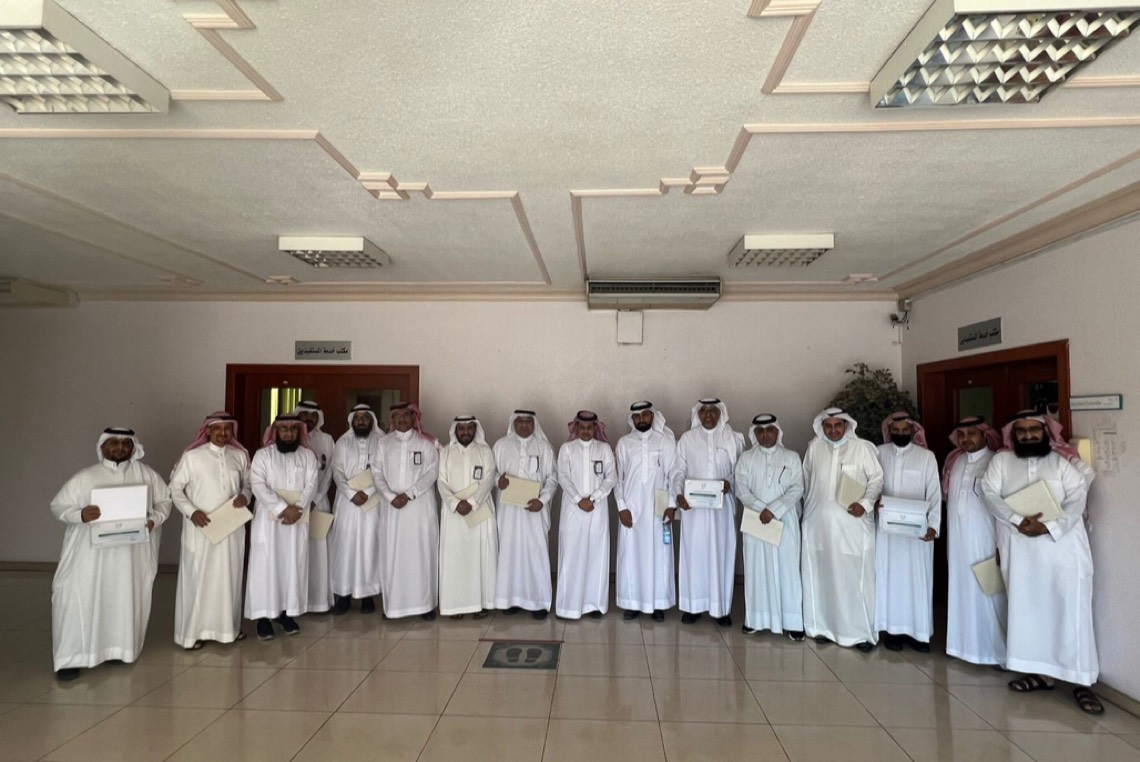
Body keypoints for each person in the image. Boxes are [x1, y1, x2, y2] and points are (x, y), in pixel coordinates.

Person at [982, 410, 1102, 714]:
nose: (1028, 436)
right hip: (1021, 553)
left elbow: (1077, 496)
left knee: (1070, 613)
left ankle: (1082, 681)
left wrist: (1049, 527)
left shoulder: (1061, 462)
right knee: (1028, 611)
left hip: (1063, 552)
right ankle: (1039, 674)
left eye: (1033, 430)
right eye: (1021, 431)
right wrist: (1016, 519)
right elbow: (989, 494)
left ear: (1045, 432)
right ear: (1013, 435)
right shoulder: (1001, 462)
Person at [50, 428, 172, 680]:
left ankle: (118, 650)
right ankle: (71, 659)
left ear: (133, 447)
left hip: (130, 556)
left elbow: (165, 501)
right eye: (113, 443)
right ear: (102, 446)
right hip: (89, 558)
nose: (119, 448)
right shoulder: (85, 477)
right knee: (78, 599)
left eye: (125, 443)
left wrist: (154, 519)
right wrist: (80, 515)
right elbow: (58, 505)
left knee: (123, 598)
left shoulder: (147, 475)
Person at [801, 407, 884, 651]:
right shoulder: (814, 448)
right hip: (819, 527)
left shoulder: (863, 448)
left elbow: (876, 480)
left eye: (838, 425)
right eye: (828, 426)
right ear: (822, 427)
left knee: (855, 579)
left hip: (853, 527)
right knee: (822, 576)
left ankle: (860, 634)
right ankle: (823, 628)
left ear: (847, 425)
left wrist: (865, 504)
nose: (833, 430)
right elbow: (806, 483)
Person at [170, 412, 252, 650]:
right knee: (199, 579)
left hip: (231, 528)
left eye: (227, 429)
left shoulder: (239, 455)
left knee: (230, 578)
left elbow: (249, 483)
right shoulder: (192, 457)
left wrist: (245, 496)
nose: (223, 433)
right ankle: (192, 634)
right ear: (207, 431)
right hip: (201, 529)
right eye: (218, 429)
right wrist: (191, 511)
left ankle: (228, 630)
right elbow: (174, 488)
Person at [671, 398, 745, 627]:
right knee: (694, 555)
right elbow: (678, 471)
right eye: (704, 411)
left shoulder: (732, 438)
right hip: (693, 510)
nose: (709, 415)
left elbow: (742, 471)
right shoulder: (687, 439)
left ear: (721, 413)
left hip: (722, 510)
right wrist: (679, 494)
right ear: (698, 414)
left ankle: (720, 609)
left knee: (721, 555)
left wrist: (729, 482)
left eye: (713, 411)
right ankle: (693, 606)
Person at [246, 414, 319, 640]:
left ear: (299, 432)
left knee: (292, 566)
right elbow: (257, 485)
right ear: (275, 432)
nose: (288, 433)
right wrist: (282, 508)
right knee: (266, 567)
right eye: (283, 429)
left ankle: (286, 613)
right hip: (269, 522)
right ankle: (263, 617)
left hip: (296, 520)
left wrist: (297, 508)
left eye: (293, 429)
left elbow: (312, 484)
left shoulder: (308, 456)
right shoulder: (263, 455)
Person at [874, 412, 941, 653]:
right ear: (889, 430)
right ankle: (892, 631)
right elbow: (872, 485)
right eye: (896, 430)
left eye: (905, 430)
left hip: (917, 533)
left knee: (917, 582)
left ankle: (919, 634)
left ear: (913, 431)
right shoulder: (878, 453)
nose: (900, 434)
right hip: (887, 532)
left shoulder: (926, 456)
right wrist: (873, 503)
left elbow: (934, 493)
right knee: (889, 580)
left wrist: (933, 525)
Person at [734, 413, 805, 639]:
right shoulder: (746, 458)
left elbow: (798, 488)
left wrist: (774, 510)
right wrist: (760, 508)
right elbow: (741, 488)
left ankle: (793, 622)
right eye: (760, 431)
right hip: (756, 520)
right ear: (754, 434)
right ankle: (756, 619)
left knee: (788, 570)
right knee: (756, 569)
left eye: (769, 430)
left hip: (784, 520)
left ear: (777, 431)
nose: (765, 435)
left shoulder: (791, 457)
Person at [943, 415, 1006, 667]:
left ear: (984, 434)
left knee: (990, 593)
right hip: (957, 541)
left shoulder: (996, 461)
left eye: (972, 434)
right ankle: (962, 647)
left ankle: (997, 653)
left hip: (986, 540)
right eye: (961, 434)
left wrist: (1001, 544)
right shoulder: (954, 461)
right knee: (961, 589)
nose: (966, 439)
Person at [373, 401, 440, 620]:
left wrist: (409, 494)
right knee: (393, 554)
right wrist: (391, 496)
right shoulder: (383, 443)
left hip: (420, 509)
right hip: (392, 509)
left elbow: (432, 472)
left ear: (414, 418)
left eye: (406, 415)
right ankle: (394, 607)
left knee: (421, 554)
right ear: (393, 419)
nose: (402, 419)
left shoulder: (426, 443)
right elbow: (376, 474)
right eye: (398, 416)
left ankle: (425, 605)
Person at [614, 401, 677, 622]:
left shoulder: (665, 442)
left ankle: (658, 603)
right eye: (637, 416)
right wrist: (621, 507)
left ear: (653, 416)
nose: (641, 419)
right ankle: (632, 602)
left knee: (660, 553)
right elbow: (617, 478)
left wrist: (671, 504)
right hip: (631, 508)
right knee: (631, 554)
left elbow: (674, 474)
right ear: (632, 419)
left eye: (645, 415)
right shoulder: (624, 443)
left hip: (659, 507)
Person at [493, 409, 558, 620]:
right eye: (519, 421)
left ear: (534, 423)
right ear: (513, 423)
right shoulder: (501, 446)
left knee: (536, 553)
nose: (523, 425)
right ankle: (510, 600)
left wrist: (543, 500)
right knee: (510, 553)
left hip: (535, 511)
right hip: (509, 513)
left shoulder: (544, 448)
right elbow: (490, 473)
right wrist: (497, 481)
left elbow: (553, 479)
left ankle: (538, 602)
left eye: (528, 421)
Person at [555, 411, 616, 620]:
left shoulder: (604, 449)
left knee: (596, 555)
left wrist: (594, 498)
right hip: (572, 510)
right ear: (577, 428)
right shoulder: (567, 449)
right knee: (571, 555)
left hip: (597, 510)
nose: (586, 431)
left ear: (595, 428)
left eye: (590, 427)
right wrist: (578, 499)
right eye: (582, 427)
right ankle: (568, 606)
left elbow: (611, 477)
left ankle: (594, 605)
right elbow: (562, 476)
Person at [438, 415, 498, 619]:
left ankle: (481, 604)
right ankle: (455, 605)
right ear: (455, 430)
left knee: (481, 557)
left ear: (475, 429)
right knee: (456, 558)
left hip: (480, 512)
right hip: (453, 513)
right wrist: (456, 503)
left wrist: (471, 502)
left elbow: (489, 479)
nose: (465, 432)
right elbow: (441, 482)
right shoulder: (446, 452)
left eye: (469, 428)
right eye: (461, 428)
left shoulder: (485, 451)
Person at [329, 404, 384, 615]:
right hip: (347, 503)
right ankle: (343, 595)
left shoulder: (381, 441)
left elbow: (383, 471)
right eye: (358, 417)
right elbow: (337, 472)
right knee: (345, 547)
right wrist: (352, 494)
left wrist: (368, 492)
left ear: (372, 420)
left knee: (369, 546)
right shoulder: (342, 442)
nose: (361, 421)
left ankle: (367, 595)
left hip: (372, 502)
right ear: (352, 420)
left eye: (365, 417)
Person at [294, 400, 335, 614]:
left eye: (313, 415)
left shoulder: (327, 439)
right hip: (294, 506)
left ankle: (319, 602)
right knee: (296, 551)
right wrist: (302, 501)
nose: (309, 419)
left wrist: (315, 498)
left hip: (319, 503)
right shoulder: (291, 437)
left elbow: (329, 472)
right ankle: (296, 602)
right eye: (305, 414)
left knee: (318, 551)